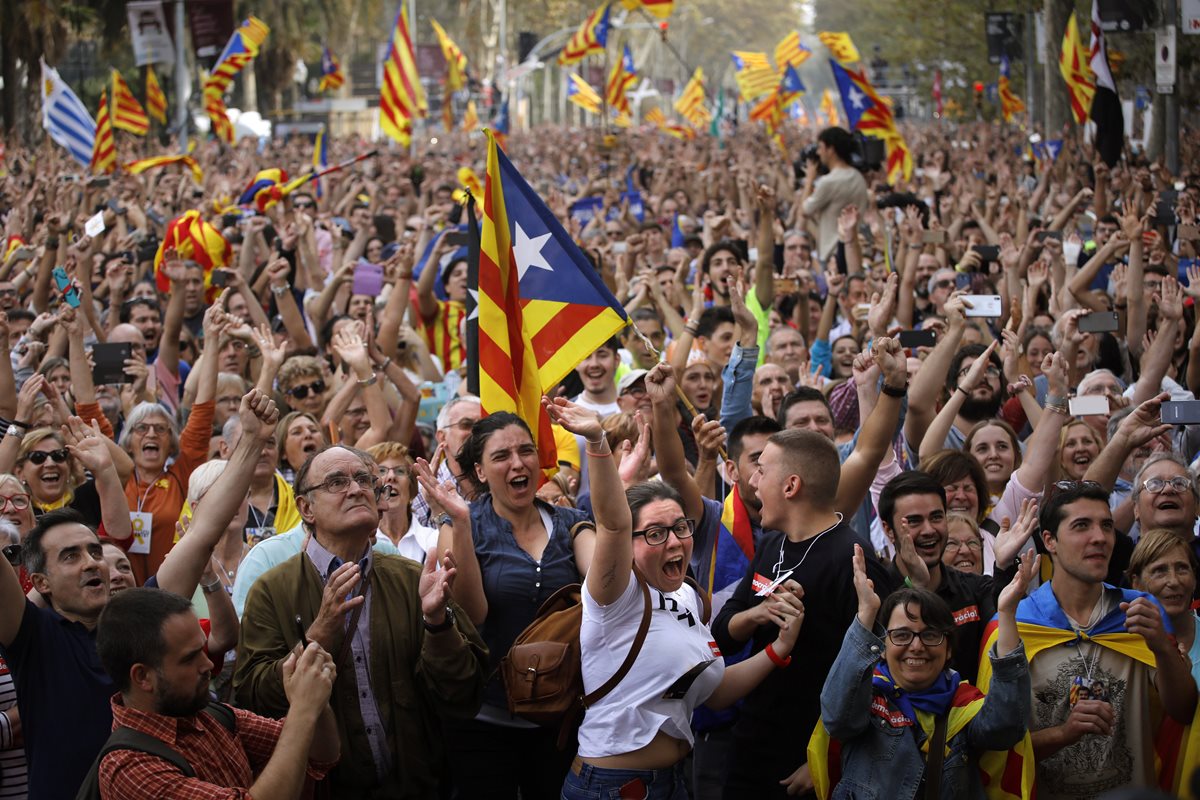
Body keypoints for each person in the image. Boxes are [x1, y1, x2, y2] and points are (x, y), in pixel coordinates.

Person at [542, 396, 802, 800]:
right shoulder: (614, 594)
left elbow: (711, 691)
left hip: (675, 782)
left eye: (680, 527)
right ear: (627, 546)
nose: (675, 542)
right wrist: (597, 441)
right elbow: (612, 522)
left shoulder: (687, 597)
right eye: (654, 533)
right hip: (613, 789)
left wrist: (779, 648)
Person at [233, 443, 488, 797]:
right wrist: (320, 632)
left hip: (417, 786)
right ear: (306, 508)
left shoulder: (412, 577)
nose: (356, 489)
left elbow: (463, 692)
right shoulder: (272, 590)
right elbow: (252, 699)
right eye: (337, 482)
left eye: (364, 480)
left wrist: (437, 623)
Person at [414, 412, 596, 799]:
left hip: (559, 719)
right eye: (501, 456)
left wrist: (604, 456)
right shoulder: (458, 525)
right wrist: (461, 524)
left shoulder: (572, 522)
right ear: (479, 471)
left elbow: (604, 590)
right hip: (482, 721)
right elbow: (471, 615)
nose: (518, 463)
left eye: (526, 450)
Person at [985, 481, 1198, 797]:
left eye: (1107, 526)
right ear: (1050, 541)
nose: (1099, 537)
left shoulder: (1140, 612)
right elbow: (996, 746)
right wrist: (1062, 734)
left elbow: (1183, 713)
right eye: (1081, 526)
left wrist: (1162, 648)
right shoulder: (1014, 625)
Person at [712, 429, 890, 799]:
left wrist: (827, 756)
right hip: (750, 745)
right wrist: (760, 613)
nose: (753, 481)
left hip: (809, 763)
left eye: (761, 470)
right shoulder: (774, 542)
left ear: (791, 485)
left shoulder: (853, 561)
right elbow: (724, 632)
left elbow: (881, 676)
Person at [811, 545, 1035, 799]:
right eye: (902, 635)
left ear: (949, 649)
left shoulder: (963, 706)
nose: (916, 647)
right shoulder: (866, 699)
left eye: (930, 635)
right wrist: (865, 614)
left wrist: (1006, 613)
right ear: (882, 648)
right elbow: (837, 718)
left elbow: (1006, 728)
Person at [93, 588, 340, 799]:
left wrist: (317, 693)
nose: (208, 665)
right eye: (190, 658)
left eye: (203, 649)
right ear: (143, 677)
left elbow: (321, 755)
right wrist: (303, 708)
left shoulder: (210, 716)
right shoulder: (129, 769)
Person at [1127, 528, 1200, 686]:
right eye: (1159, 571)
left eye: (1182, 568)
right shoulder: (1120, 644)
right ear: (1136, 584)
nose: (1173, 581)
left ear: (1194, 578)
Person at [799, 127, 869, 261]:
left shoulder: (829, 181)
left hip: (833, 254)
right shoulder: (859, 177)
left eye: (820, 147)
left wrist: (809, 180)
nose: (818, 152)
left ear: (831, 150)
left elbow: (804, 210)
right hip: (854, 250)